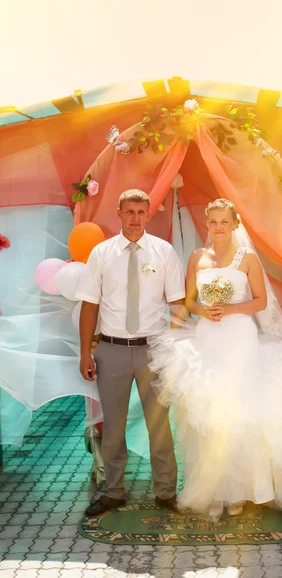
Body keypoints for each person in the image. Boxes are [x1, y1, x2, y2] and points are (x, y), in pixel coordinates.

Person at [149, 198, 282, 522]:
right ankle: (218, 489)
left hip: (240, 341)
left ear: (234, 224)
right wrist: (205, 309)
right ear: (208, 223)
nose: (217, 227)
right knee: (210, 415)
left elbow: (259, 302)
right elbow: (188, 300)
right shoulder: (197, 257)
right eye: (213, 221)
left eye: (223, 222)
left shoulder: (247, 260)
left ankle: (244, 491)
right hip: (208, 339)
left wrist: (229, 308)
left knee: (241, 413)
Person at [76, 189, 185, 517]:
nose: (136, 218)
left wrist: (175, 352)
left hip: (153, 350)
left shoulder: (164, 252)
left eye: (141, 212)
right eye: (130, 212)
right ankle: (113, 492)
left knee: (160, 425)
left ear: (148, 214)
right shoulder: (101, 253)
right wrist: (85, 354)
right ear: (119, 213)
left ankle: (166, 492)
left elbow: (177, 305)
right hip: (112, 351)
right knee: (114, 425)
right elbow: (89, 306)